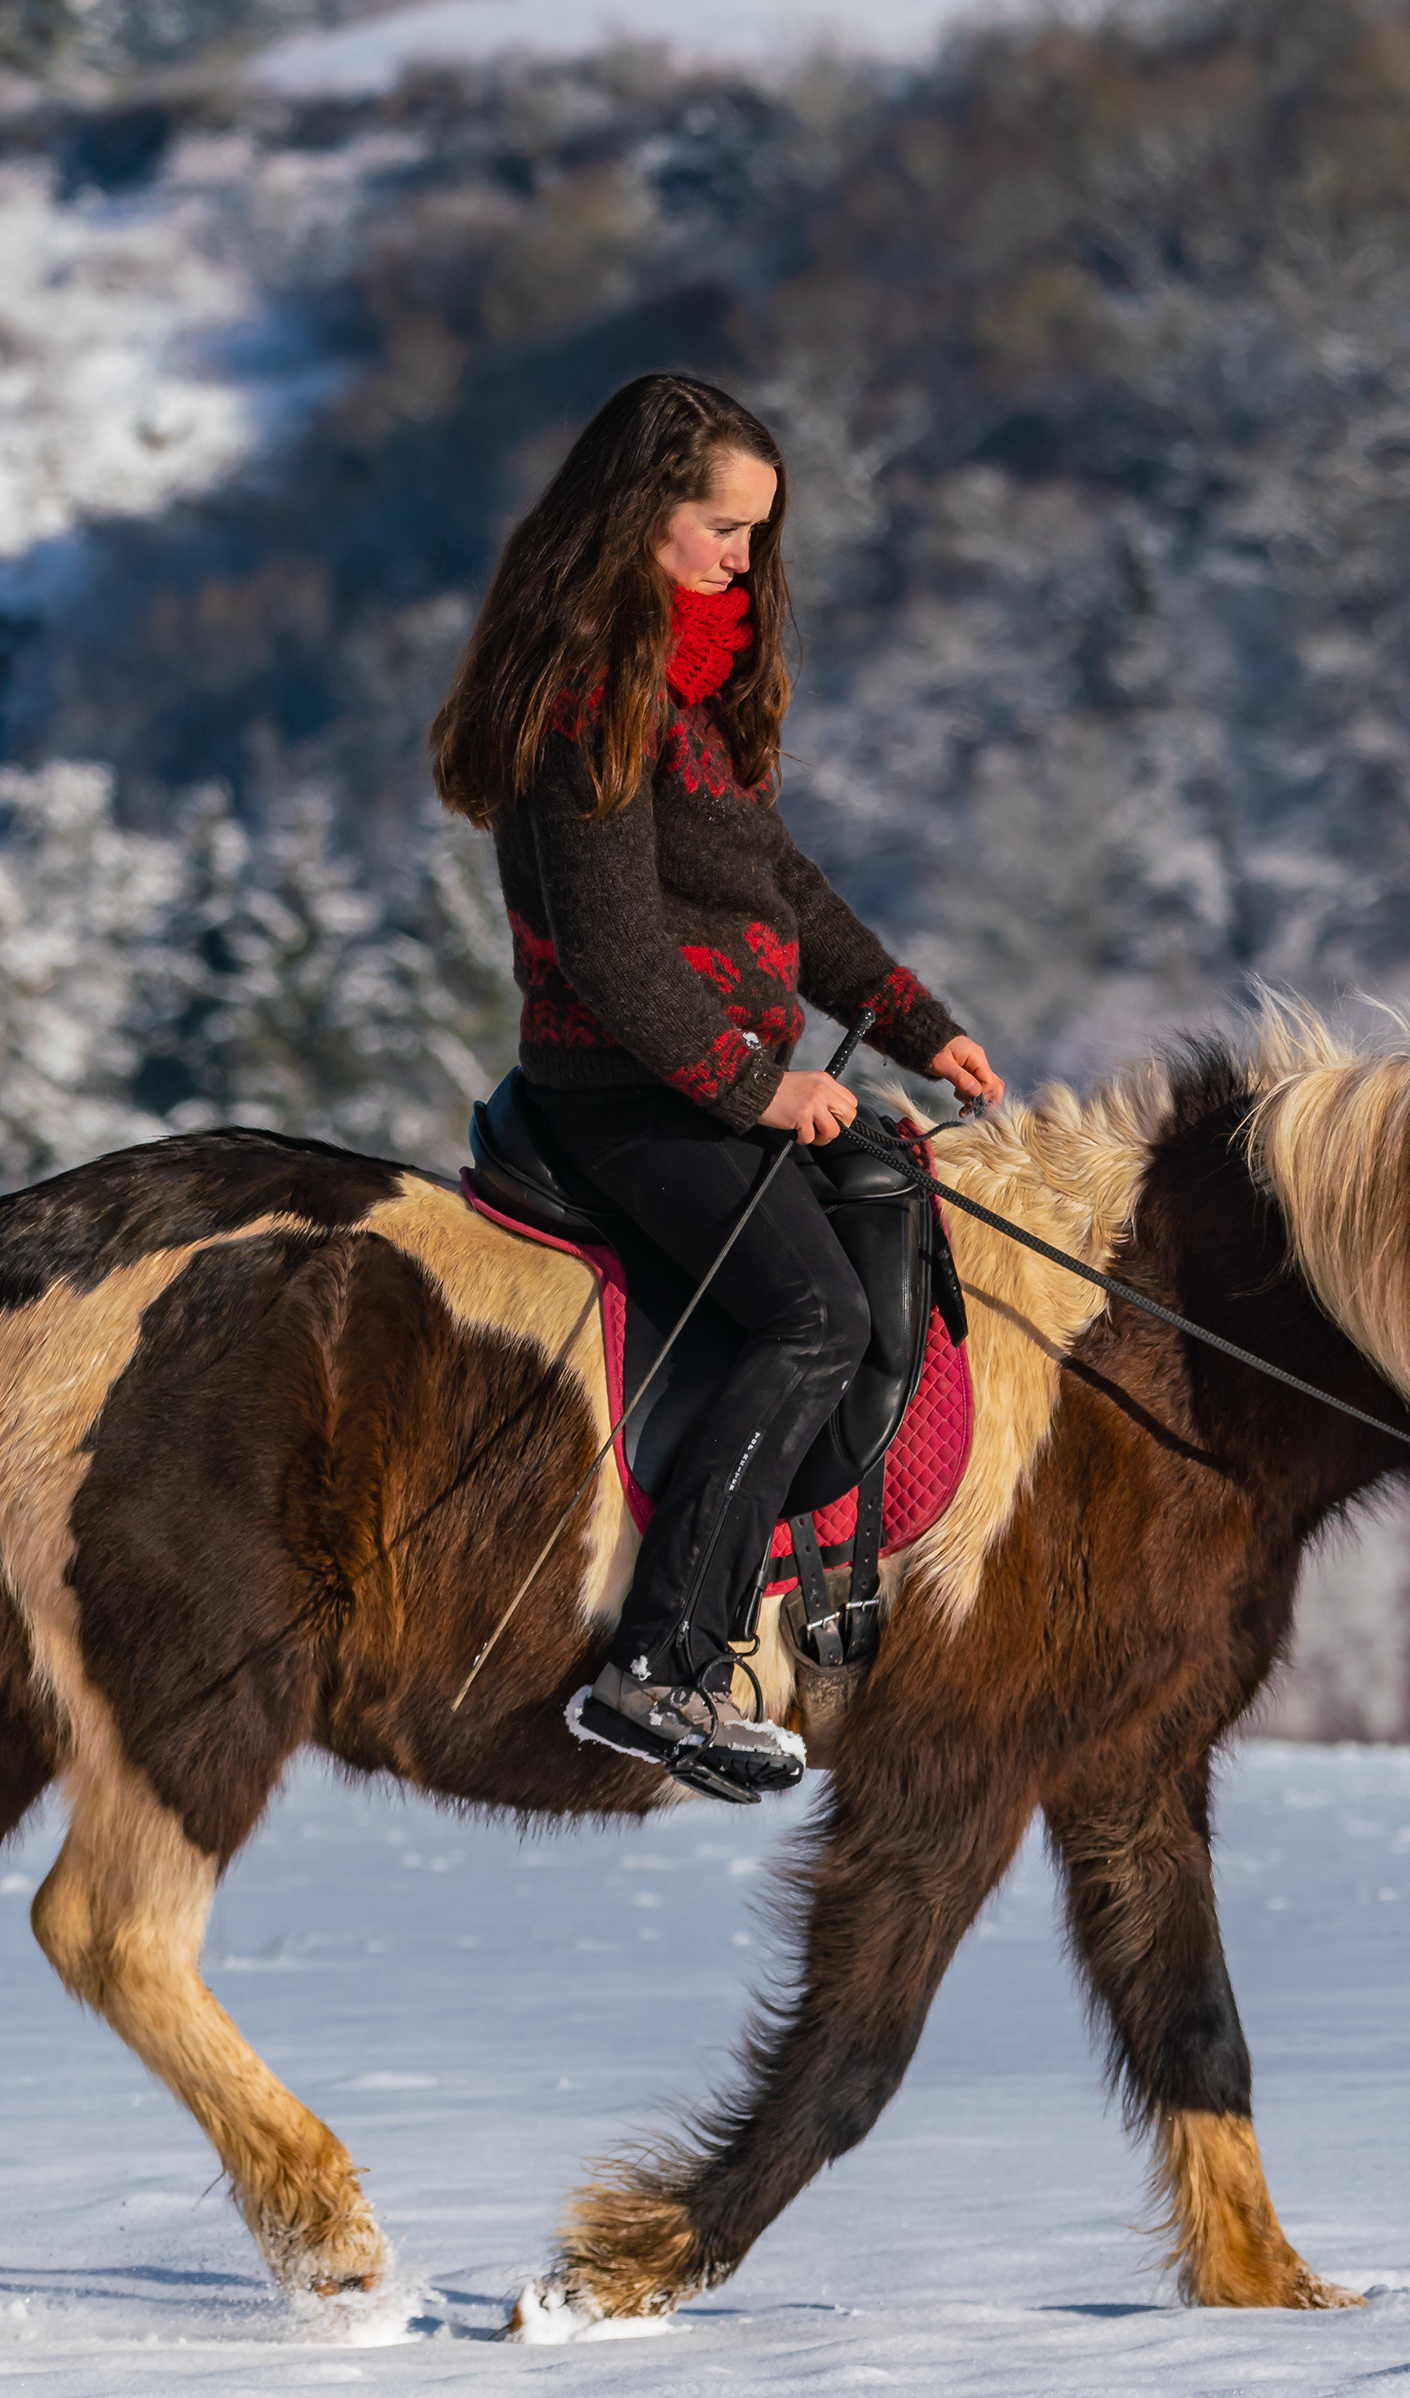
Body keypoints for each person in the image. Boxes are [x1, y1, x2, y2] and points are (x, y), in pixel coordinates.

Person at [429, 372, 1002, 1801]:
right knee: (815, 1312)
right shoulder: (589, 691)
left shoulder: (693, 679)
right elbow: (613, 951)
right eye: (722, 529)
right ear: (640, 514)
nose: (743, 564)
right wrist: (758, 1089)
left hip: (705, 1080)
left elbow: (772, 883)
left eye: (758, 533)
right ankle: (663, 1663)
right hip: (623, 1089)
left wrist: (910, 1019)